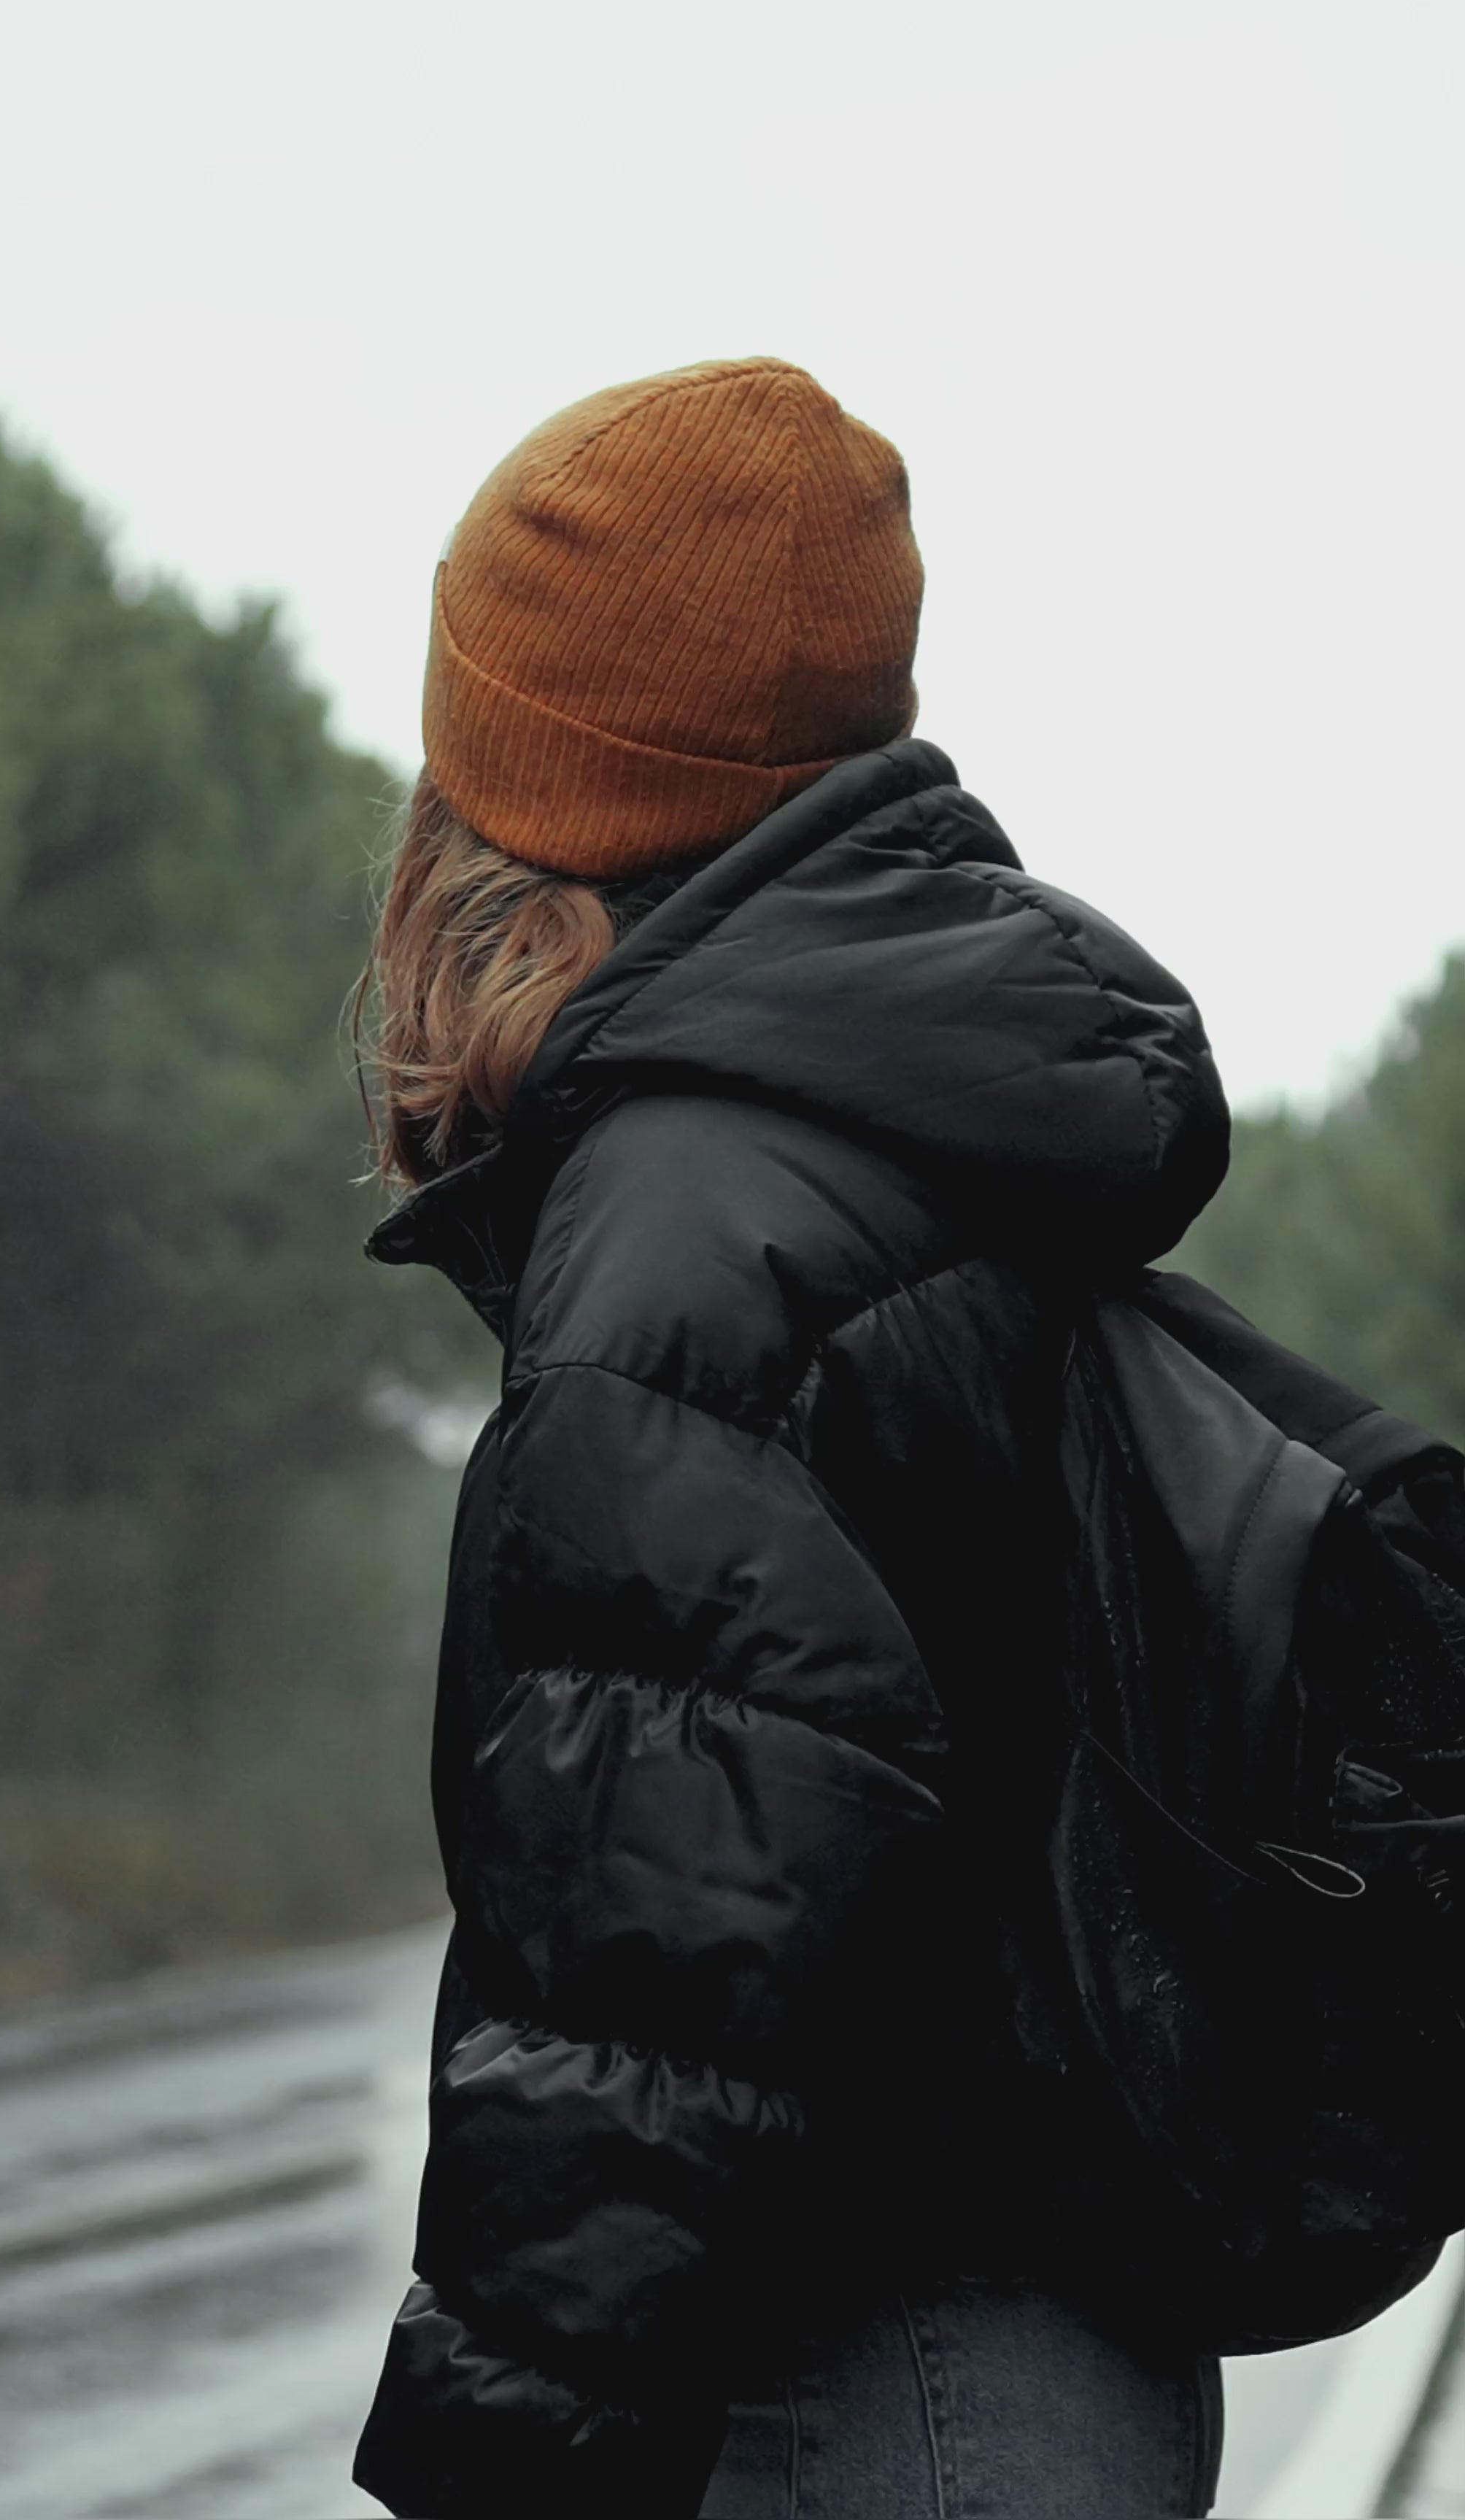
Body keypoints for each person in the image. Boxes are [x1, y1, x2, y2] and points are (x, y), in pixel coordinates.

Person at [351, 357, 1229, 2519]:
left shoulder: (697, 1222)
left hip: (867, 2375)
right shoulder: (908, 1137)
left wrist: (503, 2461)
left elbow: (658, 1966)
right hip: (1058, 2349)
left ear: (535, 790)